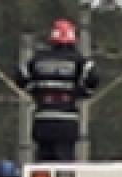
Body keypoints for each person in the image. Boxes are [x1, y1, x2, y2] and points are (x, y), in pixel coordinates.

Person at [16, 18, 99, 161]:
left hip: (42, 121)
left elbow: (21, 75)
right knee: (64, 166)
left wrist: (33, 90)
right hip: (67, 122)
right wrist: (83, 93)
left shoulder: (38, 59)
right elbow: (93, 78)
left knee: (44, 161)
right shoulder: (79, 61)